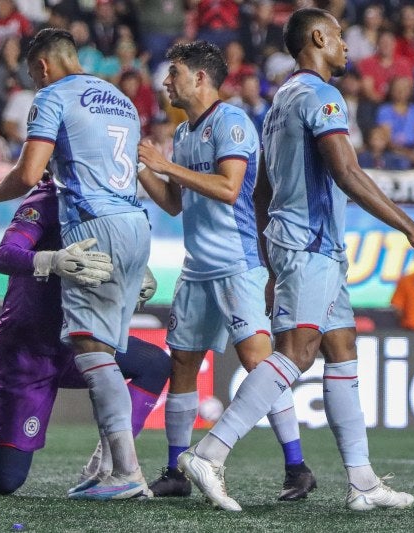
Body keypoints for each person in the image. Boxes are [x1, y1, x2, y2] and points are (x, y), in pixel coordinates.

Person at [177, 8, 414, 512]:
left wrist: (268, 256)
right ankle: (210, 452)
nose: (347, 45)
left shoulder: (280, 99)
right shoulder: (321, 96)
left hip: (300, 243)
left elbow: (260, 189)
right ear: (318, 37)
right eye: (341, 37)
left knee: (341, 346)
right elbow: (346, 171)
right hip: (309, 242)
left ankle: (363, 483)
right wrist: (412, 228)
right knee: (298, 353)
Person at [0, 176, 170, 495]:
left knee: (155, 364)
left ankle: (107, 466)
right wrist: (50, 260)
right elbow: (5, 255)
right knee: (5, 480)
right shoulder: (46, 199)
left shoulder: (105, 203)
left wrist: (135, 279)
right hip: (27, 352)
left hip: (78, 343)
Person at [0, 28, 152, 501]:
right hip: (136, 223)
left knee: (93, 351)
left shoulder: (53, 95)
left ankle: (125, 471)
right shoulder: (122, 100)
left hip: (93, 224)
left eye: (34, 74)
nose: (35, 83)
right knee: (111, 354)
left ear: (45, 66)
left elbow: (31, 173)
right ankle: (109, 465)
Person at [137, 40, 316, 505]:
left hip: (237, 266)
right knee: (183, 365)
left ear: (200, 77)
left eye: (173, 72)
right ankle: (176, 470)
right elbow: (178, 205)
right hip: (197, 269)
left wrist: (167, 165)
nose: (166, 81)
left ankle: (297, 467)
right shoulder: (183, 133)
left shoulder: (232, 122)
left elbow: (229, 187)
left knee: (259, 364)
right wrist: (145, 172)